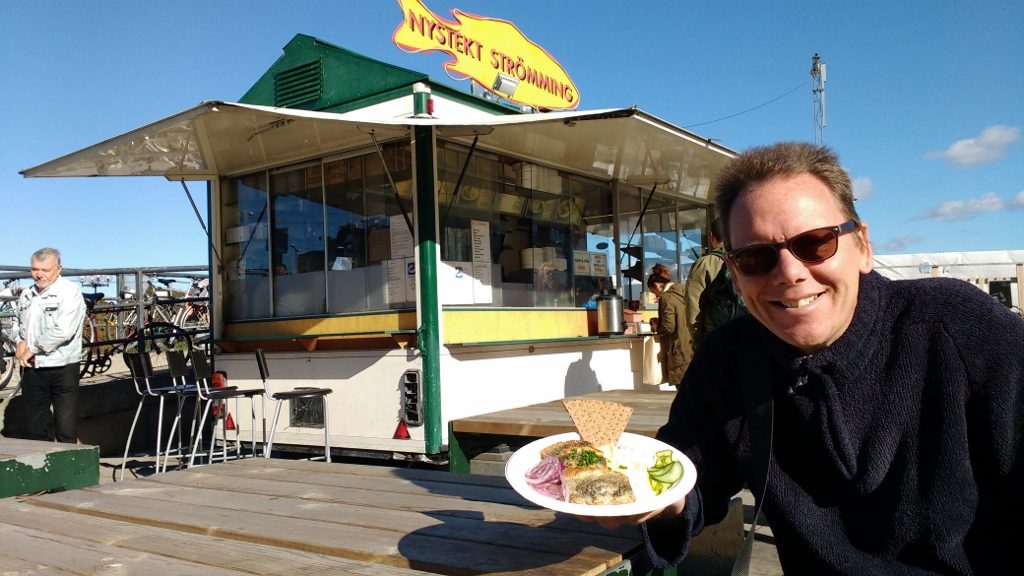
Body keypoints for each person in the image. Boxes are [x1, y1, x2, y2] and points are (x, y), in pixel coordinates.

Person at [598, 142, 1024, 574]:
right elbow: (690, 475)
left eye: (816, 243)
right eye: (755, 257)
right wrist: (659, 500)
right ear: (735, 274)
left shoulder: (959, 329)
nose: (789, 272)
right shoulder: (727, 359)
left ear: (862, 246)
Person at [12, 248, 87, 444]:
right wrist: (19, 341)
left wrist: (32, 348)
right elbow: (17, 322)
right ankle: (40, 470)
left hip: (62, 365)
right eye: (35, 269)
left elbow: (63, 330)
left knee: (65, 426)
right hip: (32, 367)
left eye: (45, 269)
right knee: (34, 427)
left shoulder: (69, 292)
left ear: (58, 269)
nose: (39, 274)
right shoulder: (27, 294)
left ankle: (68, 469)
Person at [646, 263, 691, 385]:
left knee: (682, 393)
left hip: (679, 350)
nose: (655, 295)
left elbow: (669, 327)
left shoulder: (667, 298)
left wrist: (657, 327)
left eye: (653, 291)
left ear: (657, 285)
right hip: (692, 347)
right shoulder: (684, 291)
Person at [683, 218, 725, 340]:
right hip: (749, 337)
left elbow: (693, 308)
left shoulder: (704, 264)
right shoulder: (745, 259)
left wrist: (699, 341)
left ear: (712, 236)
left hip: (716, 338)